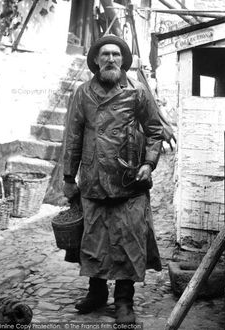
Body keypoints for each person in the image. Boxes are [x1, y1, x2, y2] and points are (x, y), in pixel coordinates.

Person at [63, 34, 165, 324]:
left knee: (127, 242)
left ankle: (123, 302)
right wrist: (69, 176)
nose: (110, 59)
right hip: (93, 179)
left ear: (123, 60)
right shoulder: (83, 93)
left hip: (129, 180)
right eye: (105, 54)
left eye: (116, 55)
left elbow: (155, 131)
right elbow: (73, 136)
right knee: (93, 241)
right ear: (96, 60)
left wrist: (148, 163)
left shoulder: (138, 91)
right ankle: (96, 293)